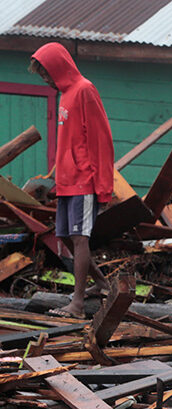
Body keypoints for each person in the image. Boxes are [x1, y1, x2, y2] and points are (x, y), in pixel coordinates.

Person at [29, 42, 113, 319]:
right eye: (42, 76)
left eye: (47, 74)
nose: (45, 80)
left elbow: (101, 139)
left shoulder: (85, 90)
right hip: (66, 181)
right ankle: (101, 283)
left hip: (84, 181)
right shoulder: (64, 95)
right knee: (64, 235)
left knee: (79, 238)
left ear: (59, 67)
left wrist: (103, 185)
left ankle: (77, 304)